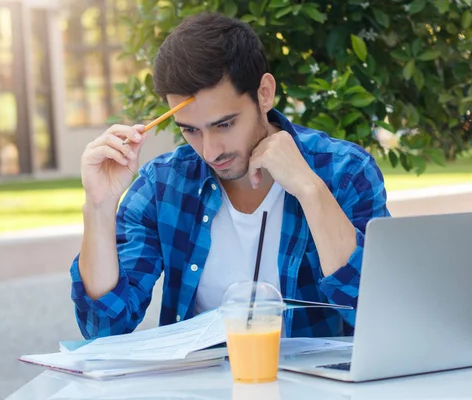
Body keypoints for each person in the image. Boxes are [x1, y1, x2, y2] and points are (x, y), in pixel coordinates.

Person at [70, 12, 390, 340]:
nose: (210, 152)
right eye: (191, 131)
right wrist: (98, 207)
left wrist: (309, 189)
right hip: (199, 388)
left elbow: (379, 314)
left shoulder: (346, 172)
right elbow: (104, 327)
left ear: (264, 93)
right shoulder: (162, 186)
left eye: (224, 124)